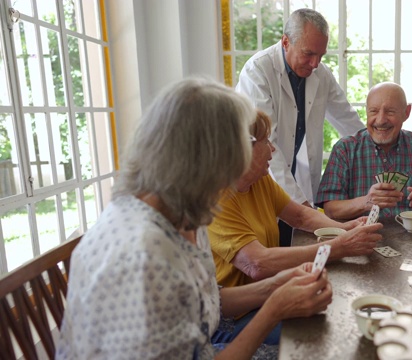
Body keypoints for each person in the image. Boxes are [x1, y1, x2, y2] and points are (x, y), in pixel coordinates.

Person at [56, 77, 332, 359]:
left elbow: (208, 301)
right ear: (204, 163)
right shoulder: (142, 257)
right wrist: (274, 309)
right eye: (234, 160)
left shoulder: (183, 216)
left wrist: (277, 285)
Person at [209, 110, 383, 289]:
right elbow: (257, 264)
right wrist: (340, 246)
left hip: (270, 292)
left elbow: (300, 216)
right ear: (244, 149)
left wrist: (344, 229)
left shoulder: (260, 180)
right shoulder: (215, 198)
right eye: (266, 141)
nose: (273, 148)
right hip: (240, 313)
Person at [236, 8, 363, 207]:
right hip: (261, 181)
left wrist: (378, 149)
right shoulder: (257, 71)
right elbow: (267, 143)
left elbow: (347, 120)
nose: (315, 64)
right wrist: (302, 207)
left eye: (321, 55)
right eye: (309, 54)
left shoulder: (321, 74)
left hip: (300, 178)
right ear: (286, 42)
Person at [316, 82, 412, 220]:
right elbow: (330, 209)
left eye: (390, 112)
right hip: (359, 238)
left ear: (406, 112)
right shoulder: (345, 149)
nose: (380, 120)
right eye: (373, 111)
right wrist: (366, 201)